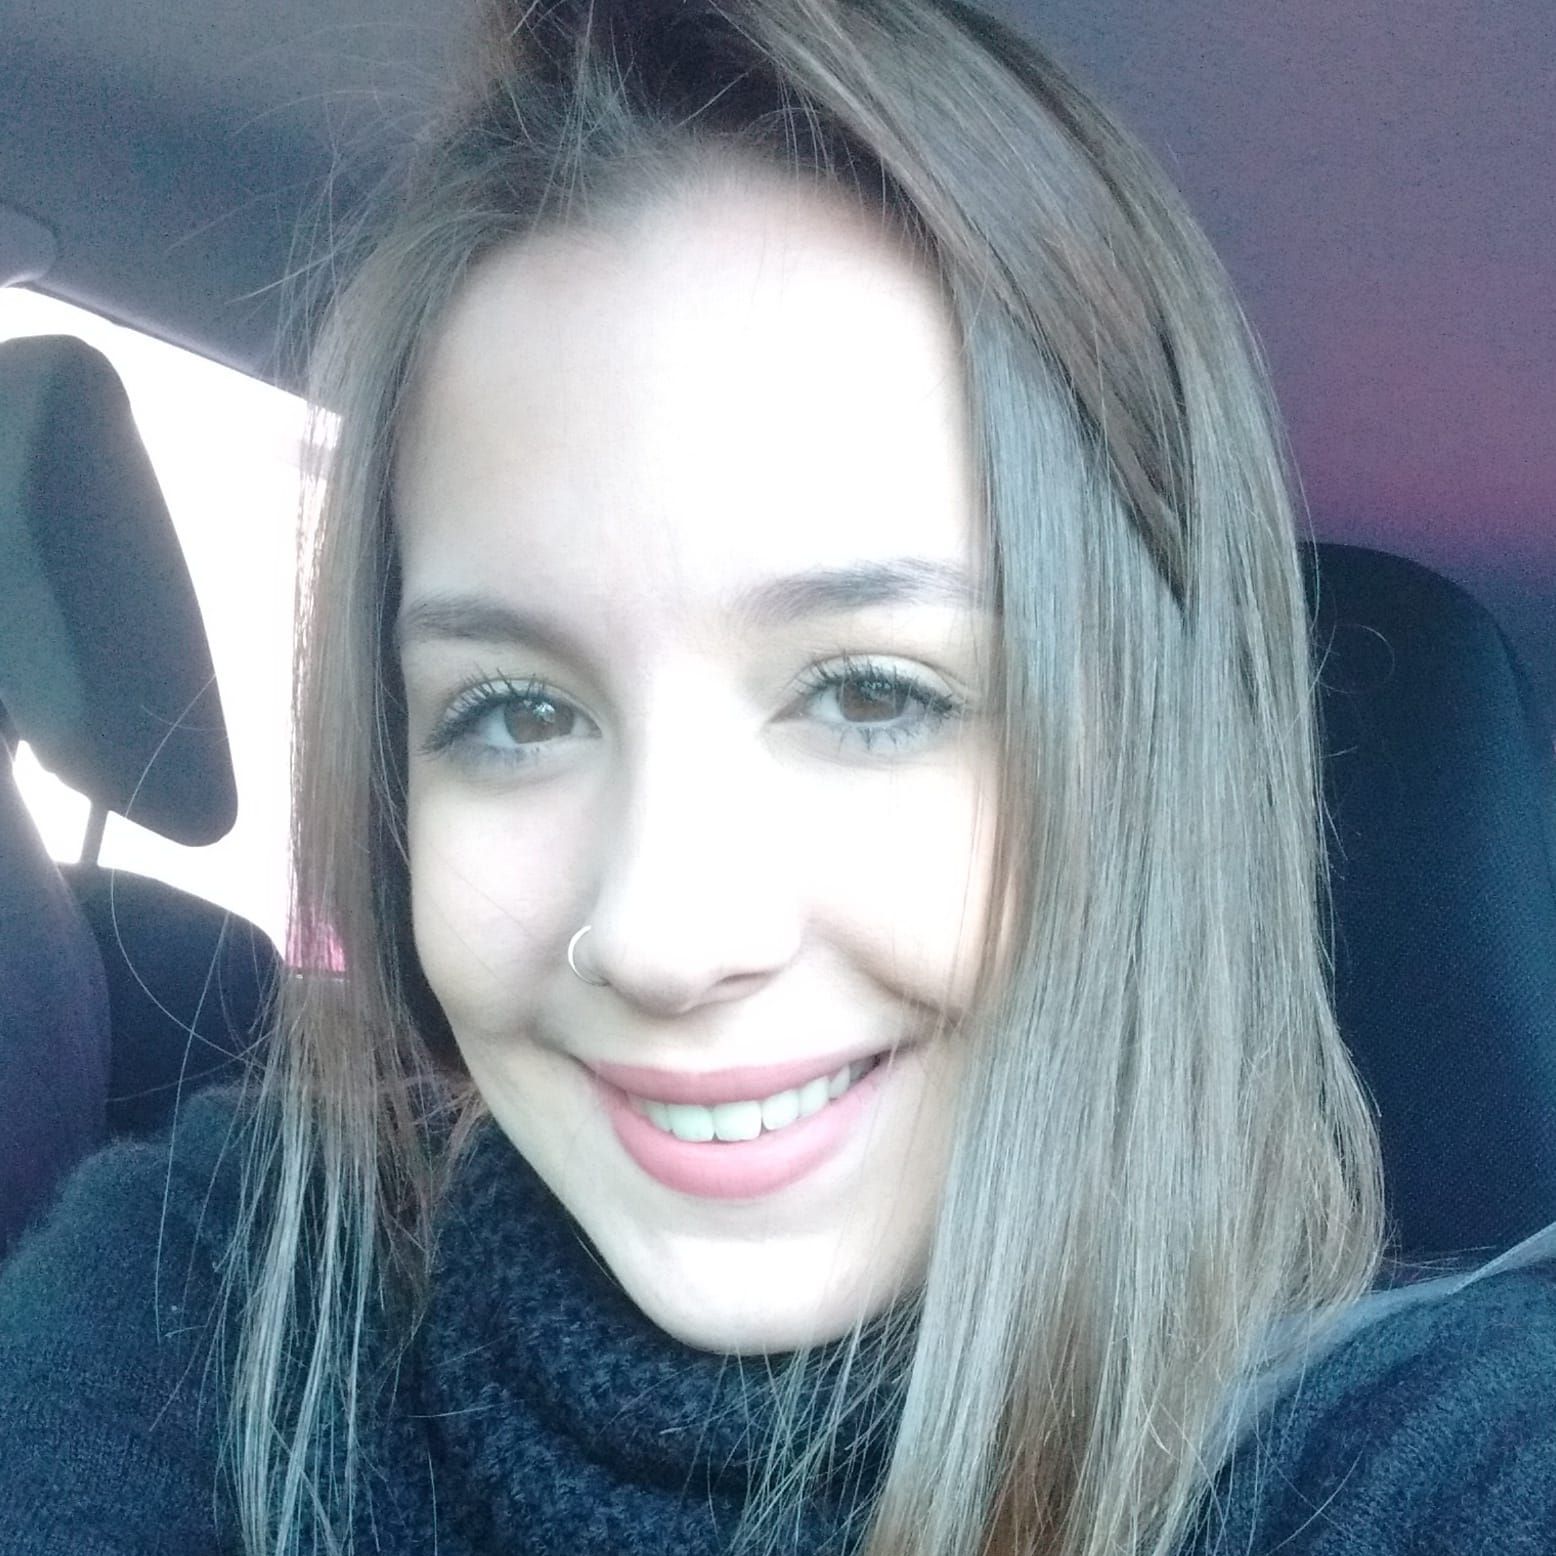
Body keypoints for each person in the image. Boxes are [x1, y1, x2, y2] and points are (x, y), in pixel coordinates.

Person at [3, 1, 1555, 1553]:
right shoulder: (207, 1292)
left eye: (874, 695)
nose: (661, 937)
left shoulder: (1433, 1462)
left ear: (1160, 758)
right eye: (518, 714)